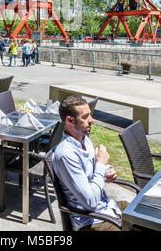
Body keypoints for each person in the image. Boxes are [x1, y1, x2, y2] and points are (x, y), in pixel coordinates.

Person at [53, 96, 128, 231]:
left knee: (144, 215)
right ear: (70, 120)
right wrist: (101, 165)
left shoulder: (84, 139)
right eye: (85, 117)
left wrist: (107, 170)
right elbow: (90, 202)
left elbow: (94, 169)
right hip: (91, 221)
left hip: (108, 208)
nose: (91, 120)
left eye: (90, 115)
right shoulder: (66, 155)